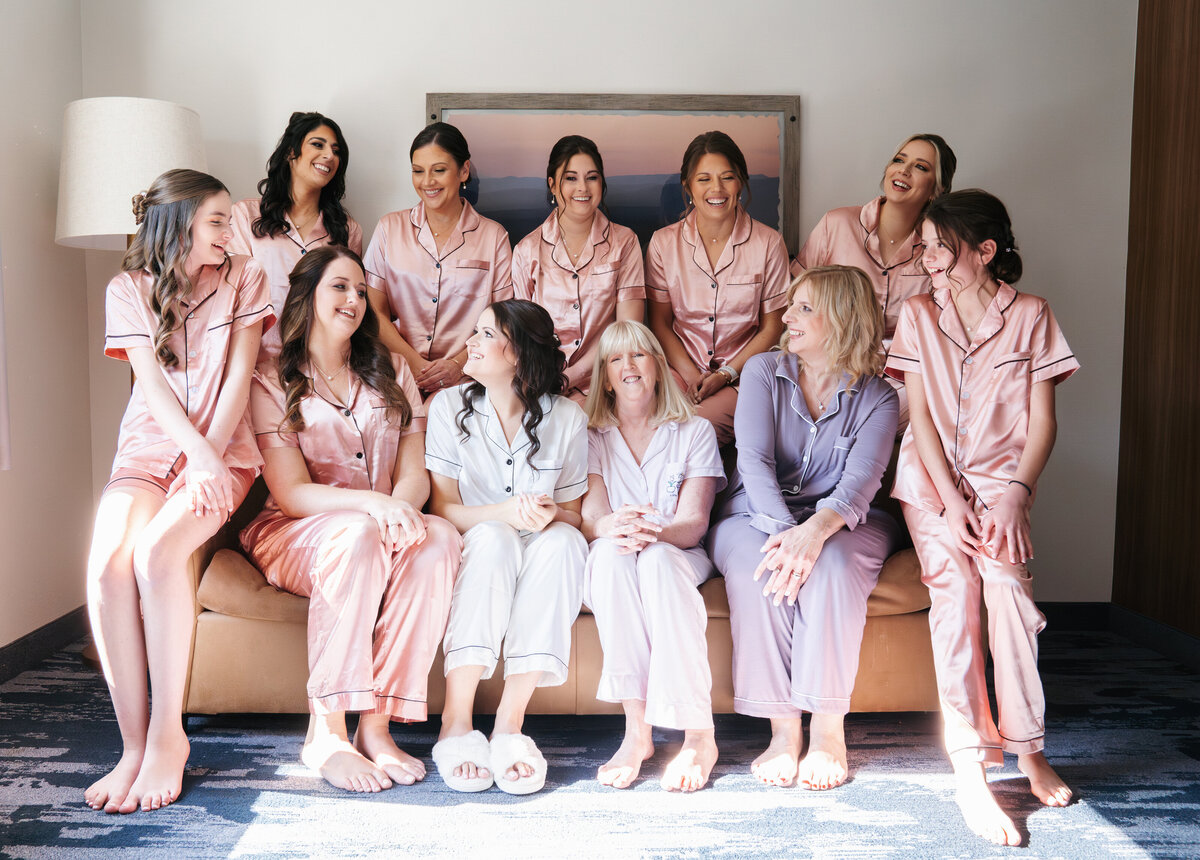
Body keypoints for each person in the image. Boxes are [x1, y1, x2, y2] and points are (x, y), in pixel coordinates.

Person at [886, 189, 1077, 846]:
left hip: (1002, 488)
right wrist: (949, 500)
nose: (927, 258)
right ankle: (969, 766)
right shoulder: (917, 314)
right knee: (955, 594)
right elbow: (920, 418)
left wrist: (1017, 492)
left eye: (939, 247)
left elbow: (1043, 421)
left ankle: (1027, 749)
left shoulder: (1032, 316)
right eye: (924, 247)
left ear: (984, 250)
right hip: (931, 487)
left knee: (1008, 593)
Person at [84, 170, 273, 813]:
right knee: (106, 567)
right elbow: (152, 387)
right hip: (149, 447)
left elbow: (240, 377)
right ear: (179, 224)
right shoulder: (126, 289)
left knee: (157, 554)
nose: (229, 232)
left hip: (225, 451)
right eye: (217, 221)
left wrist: (209, 459)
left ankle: (170, 737)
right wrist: (191, 455)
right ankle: (132, 747)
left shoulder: (246, 277)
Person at [239, 246, 461, 793]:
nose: (354, 299)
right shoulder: (271, 377)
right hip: (297, 531)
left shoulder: (392, 371)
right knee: (359, 532)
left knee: (439, 537)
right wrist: (373, 506)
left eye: (361, 290)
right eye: (339, 286)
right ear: (307, 295)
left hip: (380, 523)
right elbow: (291, 493)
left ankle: (376, 728)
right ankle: (327, 732)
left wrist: (399, 508)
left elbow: (414, 473)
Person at [707, 266, 899, 792]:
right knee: (761, 566)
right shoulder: (763, 371)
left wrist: (813, 534)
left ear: (842, 318)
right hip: (756, 511)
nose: (786, 316)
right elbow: (754, 461)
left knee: (833, 568)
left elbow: (860, 483)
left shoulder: (880, 397)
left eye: (804, 308)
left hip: (843, 519)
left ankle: (829, 730)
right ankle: (784, 730)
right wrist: (784, 535)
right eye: (791, 304)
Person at [425, 299, 588, 795]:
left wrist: (548, 513)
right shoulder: (448, 407)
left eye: (484, 334)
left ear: (517, 352)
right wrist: (505, 513)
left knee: (564, 542)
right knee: (496, 538)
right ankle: (455, 721)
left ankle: (509, 726)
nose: (469, 343)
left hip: (541, 547)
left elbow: (575, 515)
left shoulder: (568, 418)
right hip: (479, 543)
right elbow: (443, 508)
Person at [580, 320, 725, 792]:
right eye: (616, 359)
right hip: (618, 551)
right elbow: (593, 516)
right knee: (610, 557)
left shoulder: (695, 430)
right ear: (605, 378)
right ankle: (637, 731)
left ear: (658, 367)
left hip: (677, 552)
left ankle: (699, 734)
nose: (629, 366)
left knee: (657, 561)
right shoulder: (592, 436)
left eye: (639, 354)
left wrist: (653, 532)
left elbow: (694, 523)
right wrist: (613, 528)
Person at [794, 133, 957, 428]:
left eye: (920, 167)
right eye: (899, 160)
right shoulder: (837, 223)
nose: (904, 170)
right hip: (830, 366)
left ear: (937, 189)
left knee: (932, 406)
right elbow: (795, 301)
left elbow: (943, 328)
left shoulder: (939, 249)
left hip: (900, 381)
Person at [646, 130, 789, 445]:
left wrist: (726, 374)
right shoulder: (663, 243)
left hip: (744, 376)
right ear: (688, 186)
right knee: (646, 418)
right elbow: (660, 323)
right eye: (704, 179)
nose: (717, 189)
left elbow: (773, 327)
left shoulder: (768, 243)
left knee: (694, 428)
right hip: (679, 370)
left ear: (741, 182)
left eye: (727, 177)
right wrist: (691, 375)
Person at [364, 122, 513, 399]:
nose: (427, 182)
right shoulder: (389, 228)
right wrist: (415, 364)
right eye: (418, 171)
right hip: (395, 376)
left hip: (468, 380)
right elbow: (373, 310)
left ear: (463, 171)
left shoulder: (494, 237)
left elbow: (504, 320)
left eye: (439, 170)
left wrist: (457, 365)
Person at [512, 135, 646, 402]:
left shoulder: (625, 242)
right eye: (571, 178)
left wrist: (569, 378)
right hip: (543, 385)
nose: (583, 187)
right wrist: (546, 382)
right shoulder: (527, 250)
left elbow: (627, 330)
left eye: (592, 177)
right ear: (553, 184)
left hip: (608, 381)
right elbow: (522, 338)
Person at [229, 111, 362, 364]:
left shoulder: (347, 231)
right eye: (318, 144)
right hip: (257, 365)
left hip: (320, 367)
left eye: (336, 151)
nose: (329, 155)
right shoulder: (246, 216)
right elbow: (233, 299)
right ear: (291, 152)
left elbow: (350, 305)